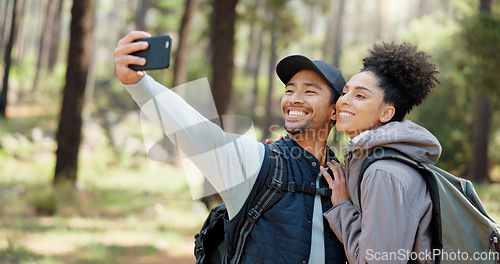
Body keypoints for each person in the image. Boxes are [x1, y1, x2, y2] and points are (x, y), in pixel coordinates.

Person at [114, 31, 348, 263]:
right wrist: (140, 85)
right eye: (289, 90)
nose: (293, 99)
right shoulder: (256, 162)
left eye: (309, 91)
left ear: (335, 110)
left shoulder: (347, 180)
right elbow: (195, 131)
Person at [320, 42, 440, 263]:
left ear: (386, 113)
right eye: (345, 92)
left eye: (360, 96)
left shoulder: (383, 173)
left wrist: (342, 206)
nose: (343, 100)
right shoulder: (379, 160)